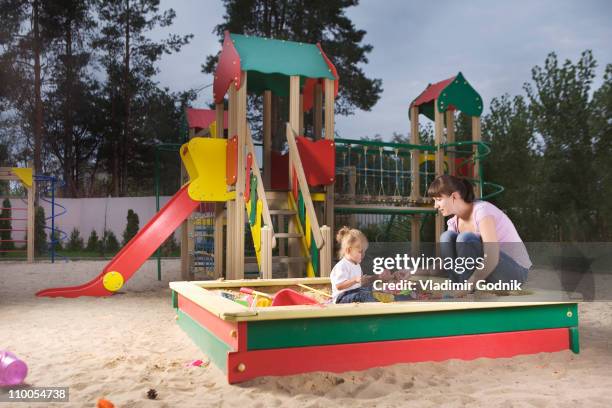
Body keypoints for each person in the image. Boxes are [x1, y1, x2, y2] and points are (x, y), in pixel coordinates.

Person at [427, 175, 531, 287]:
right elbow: (446, 264)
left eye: (438, 200)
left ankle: (465, 288)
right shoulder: (453, 222)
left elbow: (492, 257)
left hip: (515, 272)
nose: (435, 205)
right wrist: (411, 270)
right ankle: (458, 286)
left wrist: (469, 285)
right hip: (487, 274)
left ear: (454, 196)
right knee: (446, 237)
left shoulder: (482, 211)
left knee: (465, 239)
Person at [330, 226, 377, 303]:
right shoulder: (342, 265)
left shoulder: (357, 265)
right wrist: (355, 280)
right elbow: (339, 286)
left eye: (364, 251)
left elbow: (359, 284)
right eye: (360, 251)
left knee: (371, 291)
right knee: (363, 295)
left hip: (354, 293)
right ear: (348, 250)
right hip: (342, 297)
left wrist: (369, 279)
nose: (363, 254)